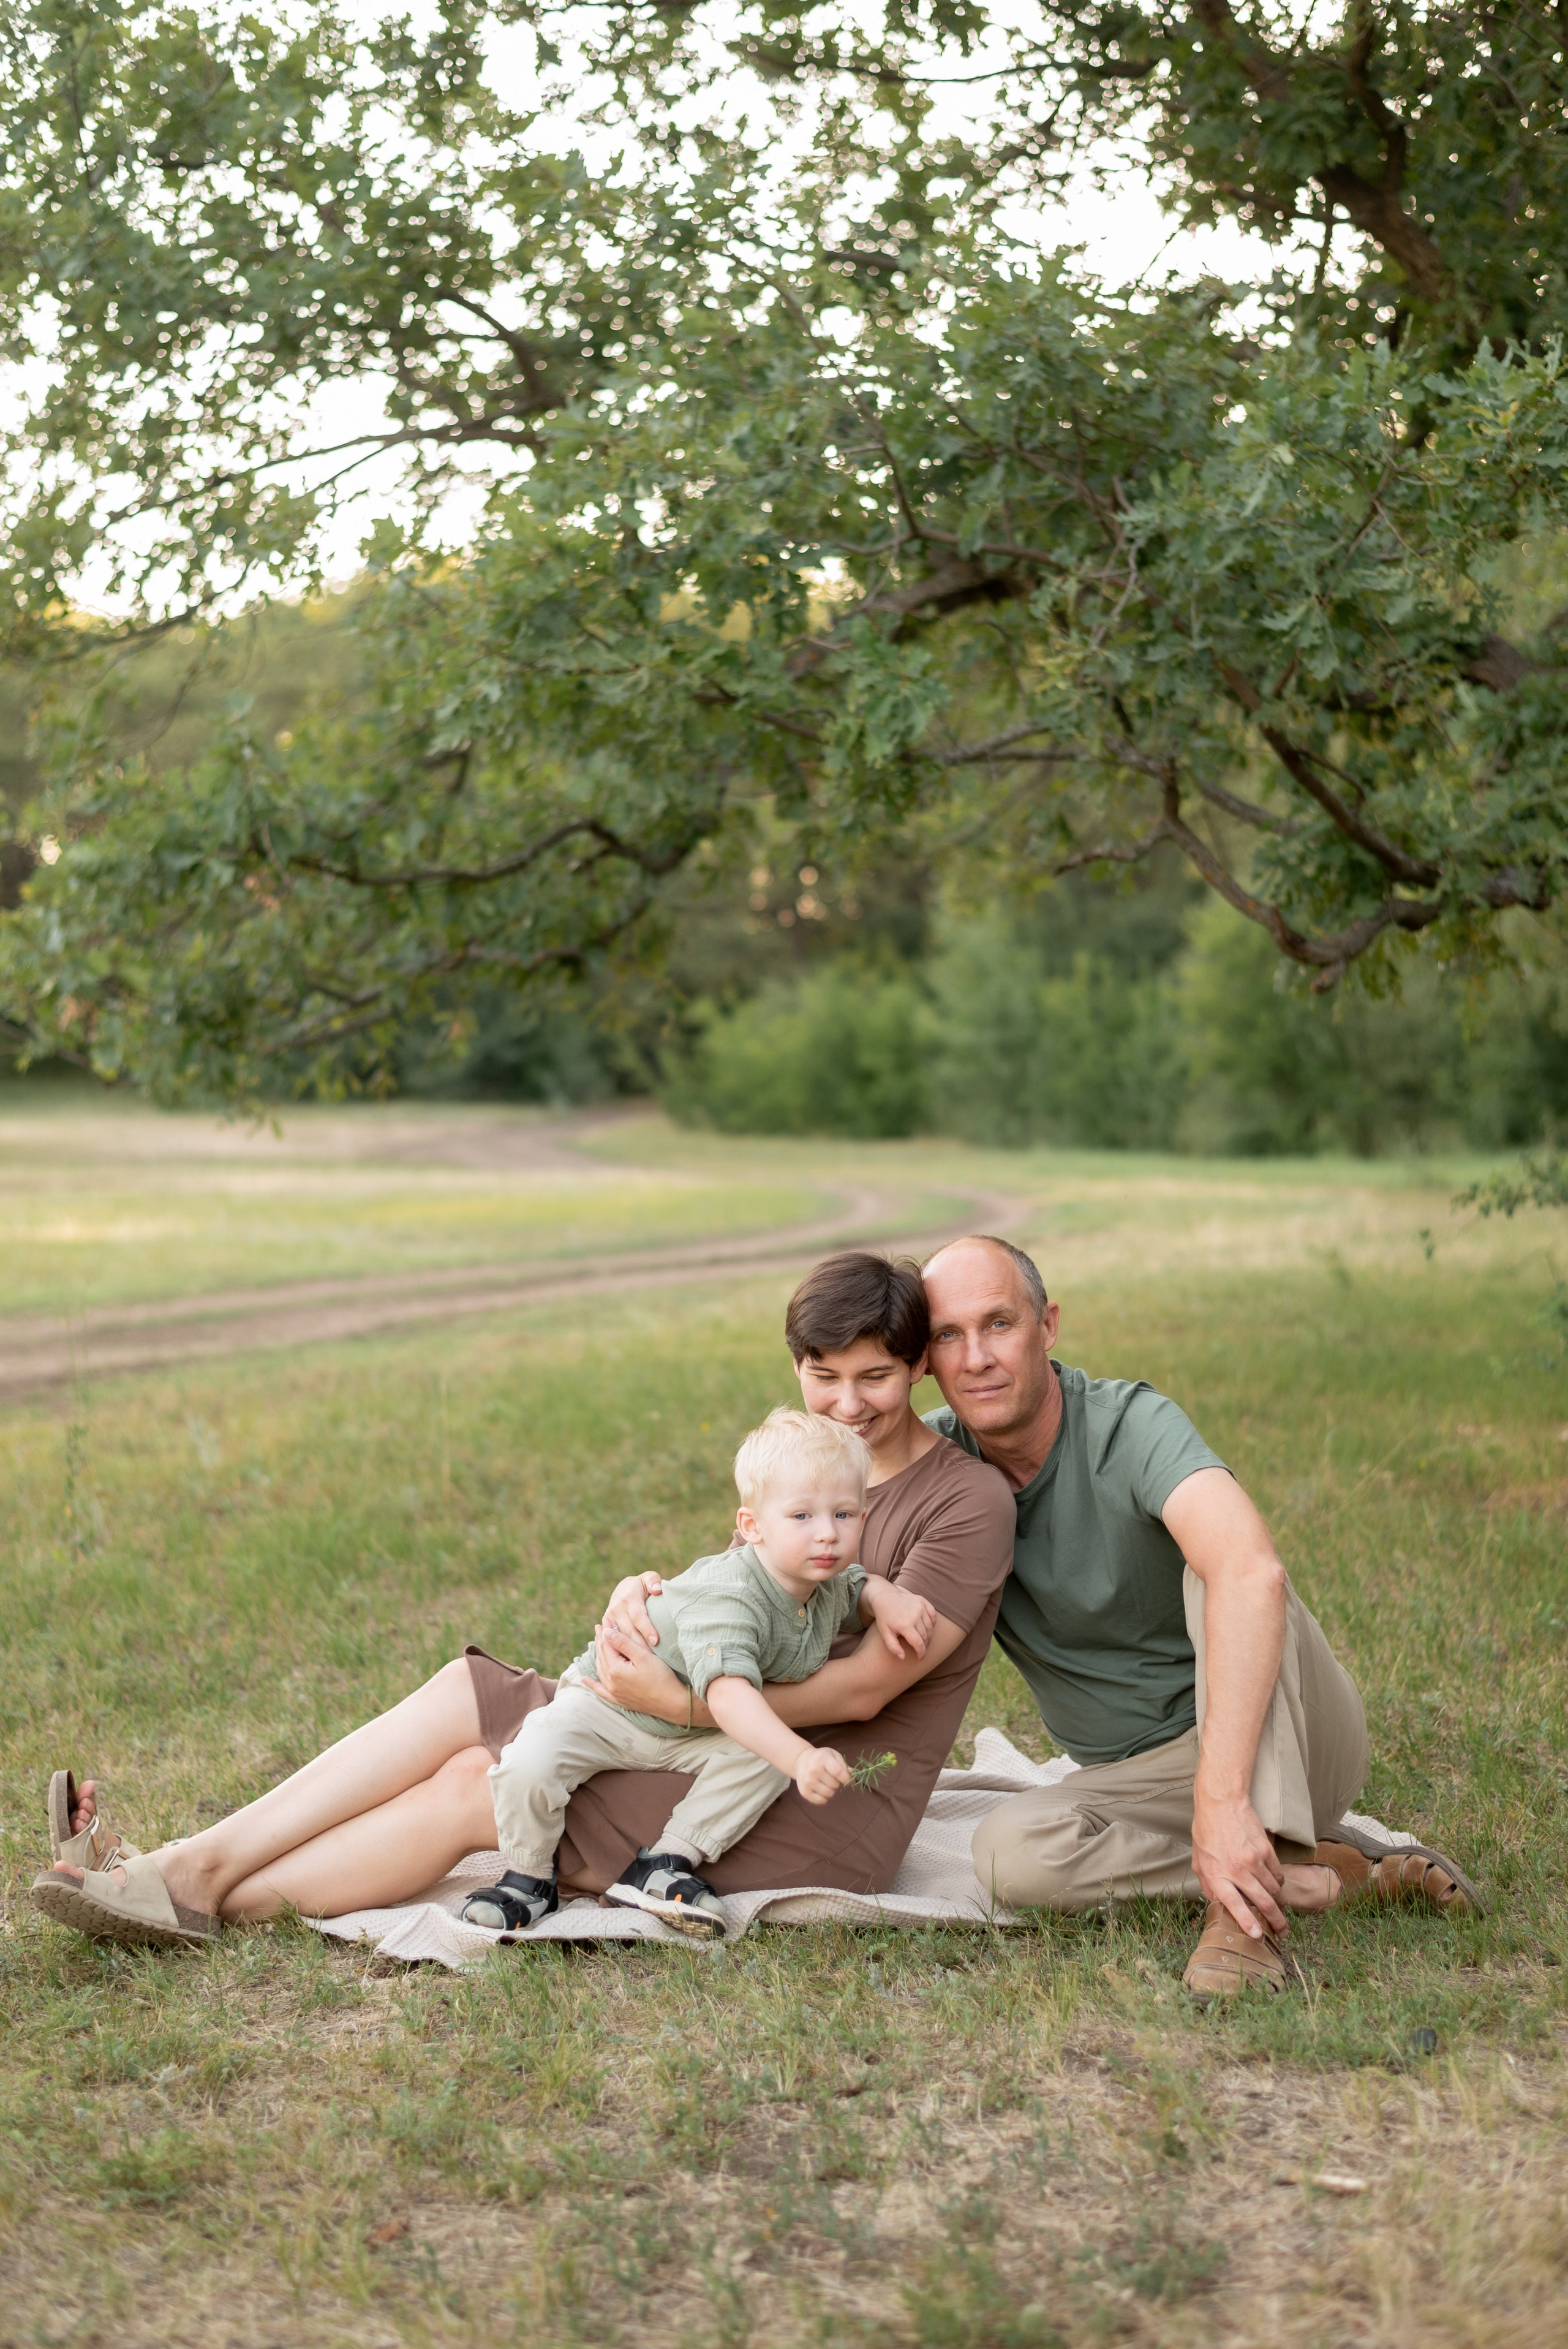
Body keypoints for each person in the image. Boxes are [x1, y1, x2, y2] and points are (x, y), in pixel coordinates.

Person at [29, 1253, 1014, 1950]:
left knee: (479, 1781)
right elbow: (736, 1597)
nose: (847, 1402)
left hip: (813, 1798)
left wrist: (679, 1702)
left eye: (876, 1377)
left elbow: (857, 1694)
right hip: (711, 1733)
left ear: (916, 1364)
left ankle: (198, 1894)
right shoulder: (800, 1471)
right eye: (823, 1376)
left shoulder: (964, 1501)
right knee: (476, 1689)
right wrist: (645, 1593)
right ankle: (182, 1869)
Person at [914, 1233, 1484, 2000]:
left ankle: (1239, 1914)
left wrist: (1221, 1801)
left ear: (1046, 1325)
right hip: (1139, 1780)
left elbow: (1253, 1573)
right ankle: (1317, 1875)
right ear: (924, 1358)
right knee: (1006, 1855)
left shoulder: (1130, 1424)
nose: (976, 1356)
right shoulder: (940, 1476)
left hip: (1291, 1731)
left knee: (1222, 1571)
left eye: (998, 1324)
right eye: (948, 1335)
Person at [464, 1408, 937, 1939]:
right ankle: (528, 1876)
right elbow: (731, 1697)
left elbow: (854, 1588)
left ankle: (665, 1864)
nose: (827, 1534)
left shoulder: (817, 1583)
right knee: (533, 1757)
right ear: (751, 1527)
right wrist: (802, 1758)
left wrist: (886, 1595)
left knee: (762, 1756)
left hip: (688, 1726)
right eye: (802, 1516)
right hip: (614, 1705)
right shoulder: (730, 1597)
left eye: (844, 1515)